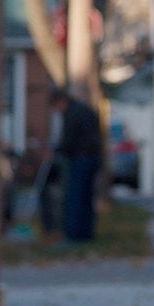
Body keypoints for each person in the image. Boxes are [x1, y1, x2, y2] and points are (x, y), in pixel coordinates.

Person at [50, 87, 102, 242]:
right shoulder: (84, 109)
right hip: (92, 158)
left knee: (75, 198)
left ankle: (73, 235)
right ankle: (86, 234)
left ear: (60, 101)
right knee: (86, 198)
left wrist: (57, 150)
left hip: (81, 158)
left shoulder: (72, 113)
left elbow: (69, 139)